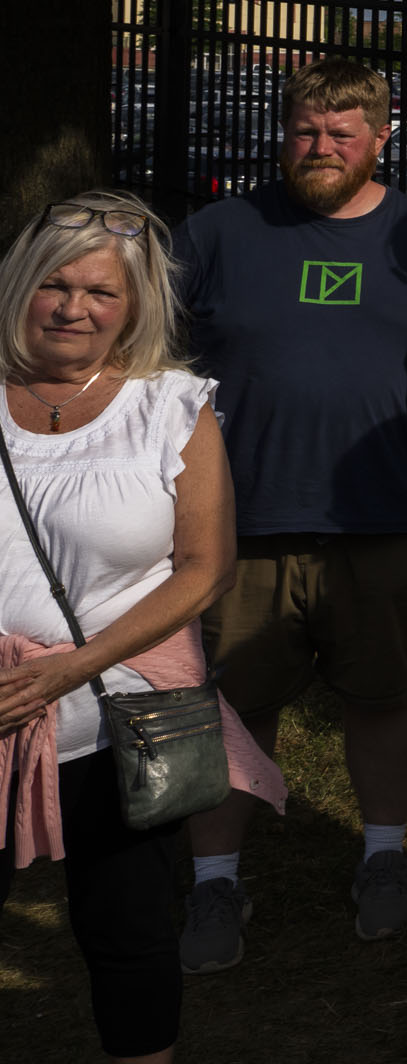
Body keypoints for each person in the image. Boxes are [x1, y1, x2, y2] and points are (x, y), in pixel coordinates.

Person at [174, 59, 407, 967]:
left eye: (342, 132)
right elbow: (149, 350)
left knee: (386, 694)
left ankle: (383, 857)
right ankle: (214, 884)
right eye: (305, 130)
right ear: (282, 132)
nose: (321, 148)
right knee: (230, 704)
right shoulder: (218, 232)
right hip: (240, 526)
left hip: (391, 520)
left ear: (382, 136)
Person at [1, 195, 281, 1063]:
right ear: (20, 287)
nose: (74, 308)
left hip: (117, 713)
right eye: (54, 284)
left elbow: (206, 568)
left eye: (101, 293)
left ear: (136, 307)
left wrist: (65, 670)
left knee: (125, 928)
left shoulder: (169, 407)